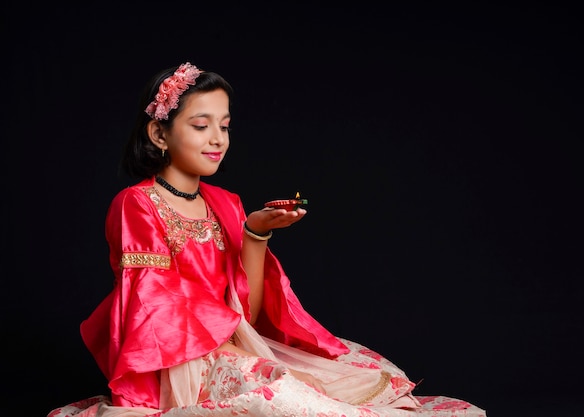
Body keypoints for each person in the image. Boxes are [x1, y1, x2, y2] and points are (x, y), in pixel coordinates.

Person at [47, 62, 487, 417]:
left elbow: (249, 313)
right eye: (201, 125)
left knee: (368, 375)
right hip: (183, 365)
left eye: (225, 125)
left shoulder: (226, 203)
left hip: (236, 349)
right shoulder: (136, 204)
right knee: (288, 400)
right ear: (159, 134)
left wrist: (255, 233)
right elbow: (147, 314)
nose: (218, 139)